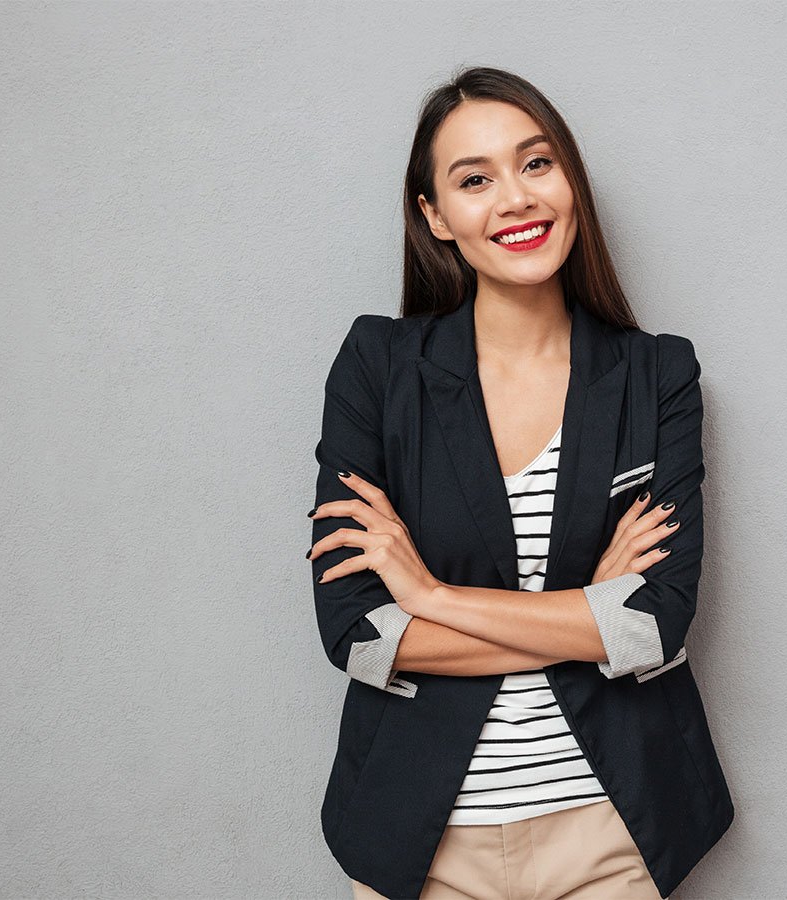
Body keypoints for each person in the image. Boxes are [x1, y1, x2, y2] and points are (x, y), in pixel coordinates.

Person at [306, 66, 733, 900]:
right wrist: (586, 614)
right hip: (421, 840)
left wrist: (429, 596)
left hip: (613, 832)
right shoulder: (377, 369)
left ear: (569, 178)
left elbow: (654, 625)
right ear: (435, 216)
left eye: (536, 164)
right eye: (474, 179)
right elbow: (356, 634)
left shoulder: (658, 375)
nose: (515, 199)